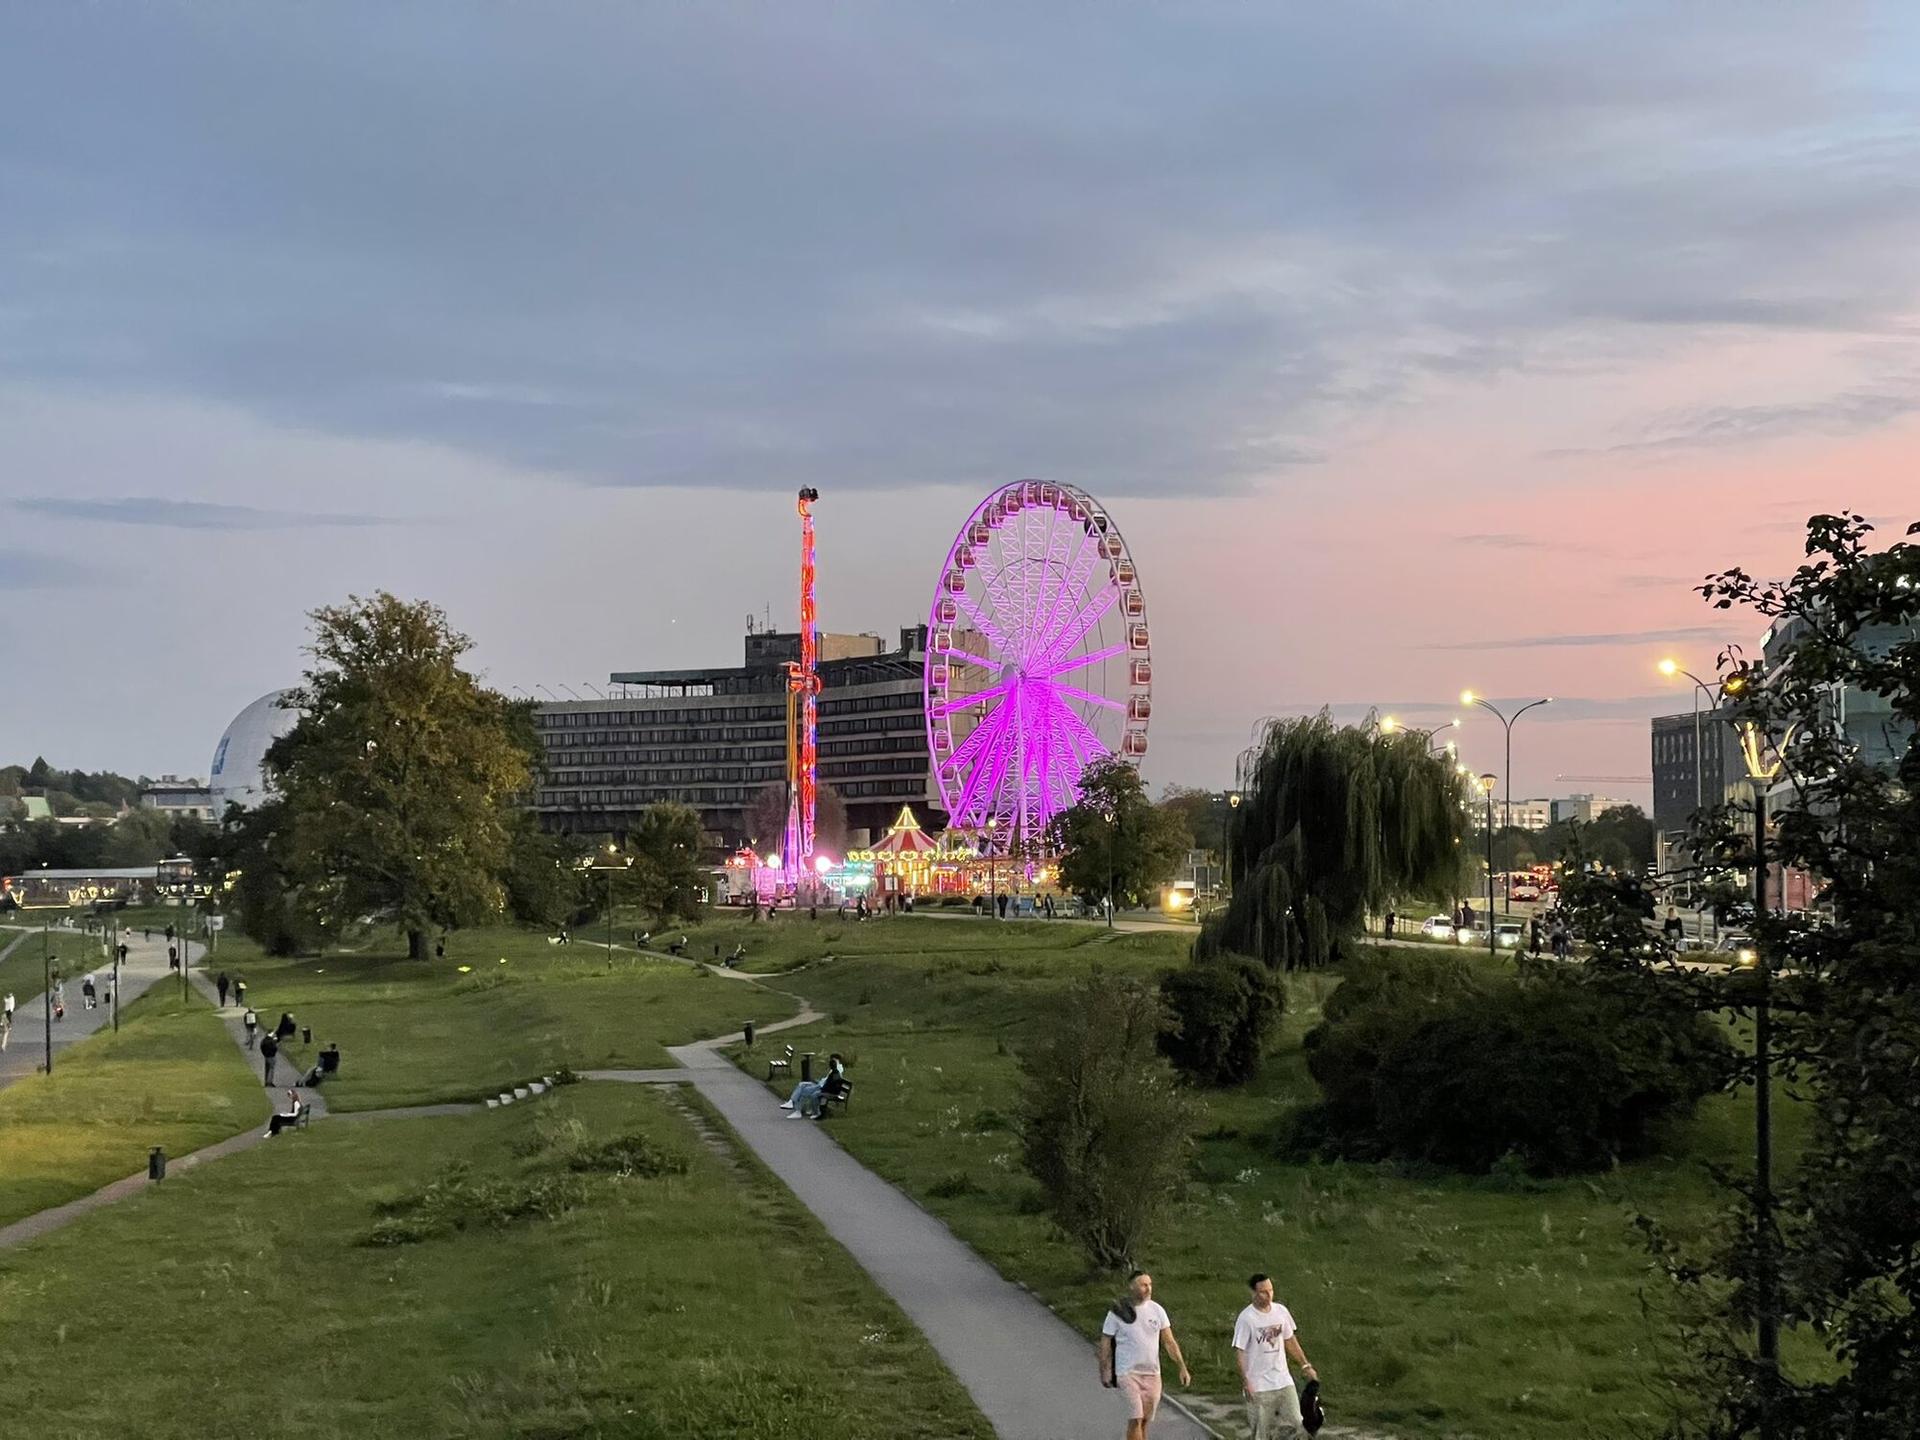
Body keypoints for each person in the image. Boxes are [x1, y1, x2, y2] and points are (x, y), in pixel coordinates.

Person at [1098, 1270, 1190, 1440]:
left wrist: (1182, 1367)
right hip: (1127, 1373)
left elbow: (1169, 1342)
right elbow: (1105, 1342)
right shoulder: (1117, 1312)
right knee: (1136, 1418)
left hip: (1152, 1374)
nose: (1148, 1288)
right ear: (1132, 1287)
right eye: (1143, 1285)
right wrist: (1104, 1370)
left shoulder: (1157, 1310)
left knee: (1145, 1420)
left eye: (1150, 1285)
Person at [1233, 1273, 1318, 1440]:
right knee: (1262, 1432)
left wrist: (1305, 1365)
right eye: (1263, 1292)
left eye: (1270, 1290)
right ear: (1253, 1293)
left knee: (1299, 1424)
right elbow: (1240, 1352)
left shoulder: (1281, 1312)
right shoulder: (1246, 1318)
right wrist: (1246, 1381)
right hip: (1259, 1386)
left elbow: (1289, 1340)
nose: (1269, 1295)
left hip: (1283, 1380)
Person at [781, 1053, 848, 1119]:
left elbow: (831, 1081)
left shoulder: (838, 1069)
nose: (831, 1061)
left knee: (804, 1091)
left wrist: (821, 1083)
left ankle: (797, 1110)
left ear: (837, 1060)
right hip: (821, 1084)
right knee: (802, 1085)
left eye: (833, 1060)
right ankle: (792, 1102)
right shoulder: (835, 1069)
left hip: (822, 1086)